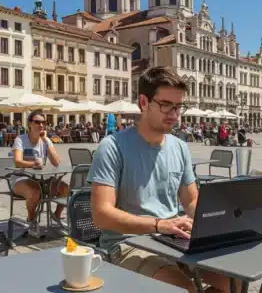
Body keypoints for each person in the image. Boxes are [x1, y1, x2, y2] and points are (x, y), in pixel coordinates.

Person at [87, 67, 235, 292]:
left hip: (175, 239)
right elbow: (101, 215)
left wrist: (217, 219)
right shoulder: (112, 147)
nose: (174, 114)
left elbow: (191, 201)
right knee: (183, 289)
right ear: (143, 102)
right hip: (128, 244)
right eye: (166, 105)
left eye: (178, 107)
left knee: (233, 281)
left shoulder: (180, 147)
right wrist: (159, 225)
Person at [11, 111, 69, 237]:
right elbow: (17, 162)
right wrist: (33, 164)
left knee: (65, 189)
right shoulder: (20, 139)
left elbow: (56, 162)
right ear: (30, 124)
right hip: (20, 179)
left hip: (41, 179)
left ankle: (56, 217)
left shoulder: (45, 140)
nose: (41, 125)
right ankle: (32, 221)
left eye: (43, 122)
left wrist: (47, 141)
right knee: (35, 191)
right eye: (37, 122)